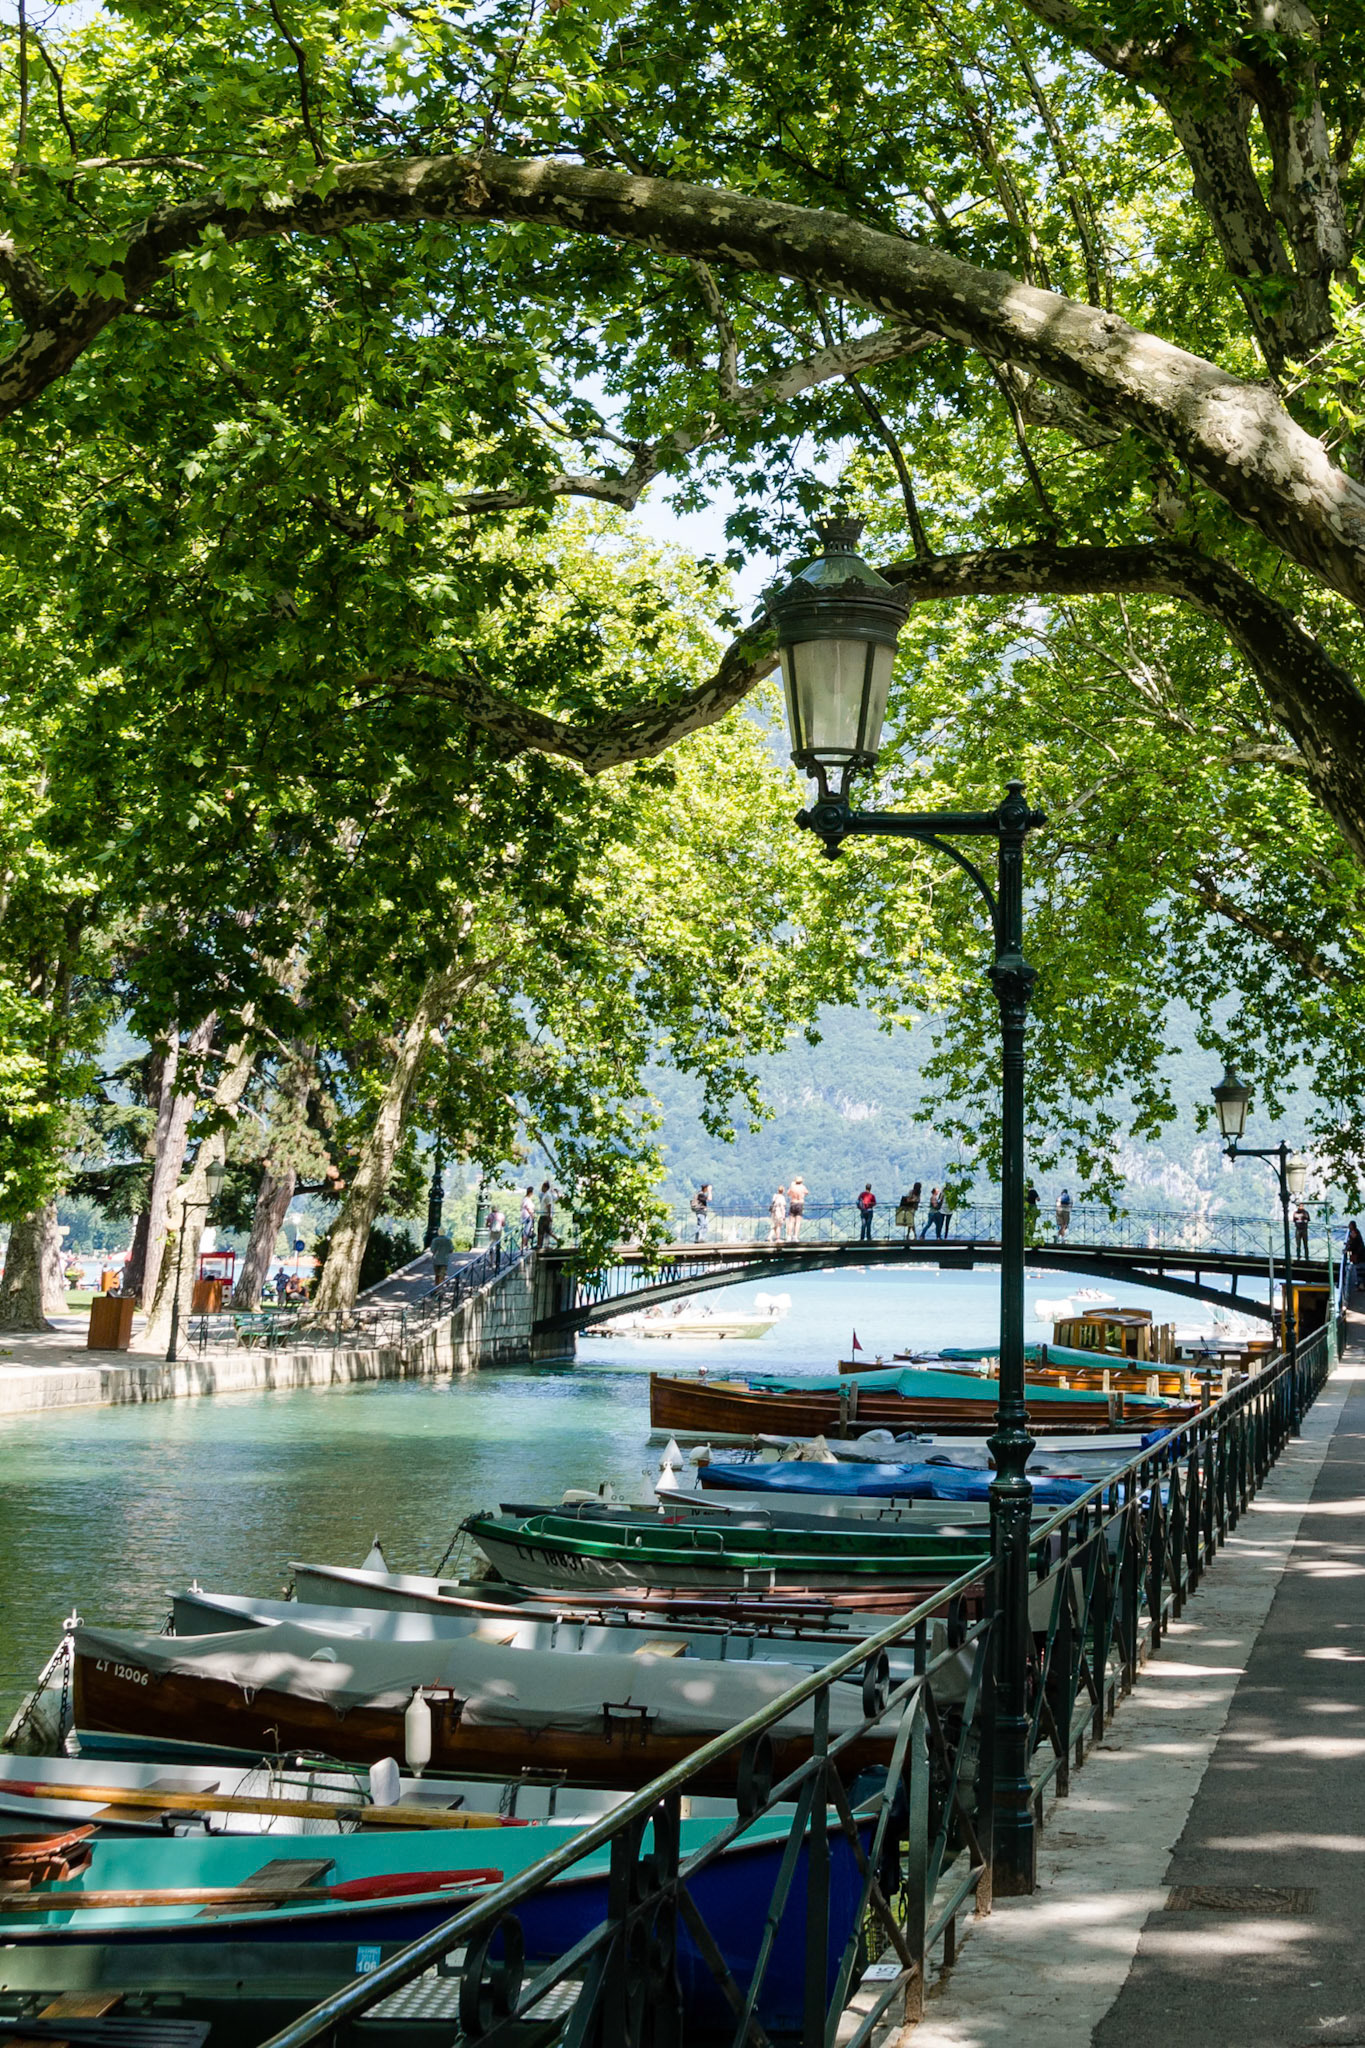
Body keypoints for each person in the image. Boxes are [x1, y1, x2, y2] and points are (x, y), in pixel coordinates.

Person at [536, 1180, 556, 1251]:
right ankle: (558, 1240)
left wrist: (549, 1215)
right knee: (547, 1231)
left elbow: (549, 1206)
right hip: (544, 1214)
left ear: (545, 1187)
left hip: (544, 1215)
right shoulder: (545, 1195)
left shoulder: (547, 1195)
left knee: (540, 1230)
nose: (541, 1188)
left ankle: (539, 1245)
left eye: (542, 1187)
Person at [787, 1175, 808, 1241]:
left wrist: (792, 1185)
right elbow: (806, 1192)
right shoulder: (803, 1187)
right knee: (798, 1221)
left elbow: (788, 1193)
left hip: (793, 1203)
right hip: (800, 1203)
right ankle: (795, 1236)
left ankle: (789, 1236)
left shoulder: (792, 1187)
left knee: (791, 1221)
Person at [1346, 1221, 1365, 1293]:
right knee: (1361, 1270)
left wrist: (1347, 1249)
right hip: (1360, 1254)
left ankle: (1361, 1285)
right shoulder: (1357, 1233)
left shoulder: (1354, 1233)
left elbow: (1352, 1244)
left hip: (1359, 1255)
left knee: (1360, 1270)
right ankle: (1361, 1285)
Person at [487, 1205, 506, 1269]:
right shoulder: (501, 1215)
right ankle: (497, 1262)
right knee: (498, 1246)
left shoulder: (490, 1215)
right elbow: (503, 1224)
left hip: (492, 1232)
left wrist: (490, 1225)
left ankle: (491, 1262)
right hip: (499, 1232)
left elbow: (487, 1224)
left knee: (491, 1246)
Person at [520, 1187, 536, 1252]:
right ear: (531, 1193)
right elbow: (528, 1208)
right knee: (526, 1231)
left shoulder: (524, 1199)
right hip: (528, 1216)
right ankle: (524, 1246)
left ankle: (525, 1245)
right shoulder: (527, 1199)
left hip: (524, 1216)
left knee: (527, 1231)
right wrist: (532, 1215)